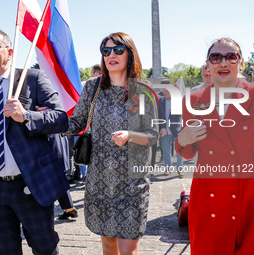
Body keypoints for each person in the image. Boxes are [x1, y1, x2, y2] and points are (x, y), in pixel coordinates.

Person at [0, 25, 69, 255]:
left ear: (9, 52)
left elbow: (61, 119)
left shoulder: (32, 78)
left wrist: (27, 116)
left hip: (31, 186)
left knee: (45, 250)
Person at [175, 37, 254, 255]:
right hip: (208, 199)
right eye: (216, 57)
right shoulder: (192, 100)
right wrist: (181, 140)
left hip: (250, 197)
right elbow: (188, 151)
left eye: (231, 57)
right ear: (208, 64)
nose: (223, 63)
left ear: (241, 63)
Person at [64, 32, 158, 255]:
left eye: (118, 50)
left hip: (132, 184)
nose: (111, 55)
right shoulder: (93, 88)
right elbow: (76, 122)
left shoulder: (143, 91)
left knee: (128, 248)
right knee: (108, 244)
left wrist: (130, 135)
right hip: (101, 182)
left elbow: (153, 134)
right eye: (106, 51)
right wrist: (37, 121)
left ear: (130, 54)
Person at [158, 83, 183, 177]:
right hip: (165, 131)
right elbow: (160, 115)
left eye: (167, 91)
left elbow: (185, 111)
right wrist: (162, 127)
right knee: (166, 151)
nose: (165, 93)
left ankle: (180, 169)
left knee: (179, 151)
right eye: (164, 91)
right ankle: (168, 168)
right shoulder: (161, 101)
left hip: (176, 130)